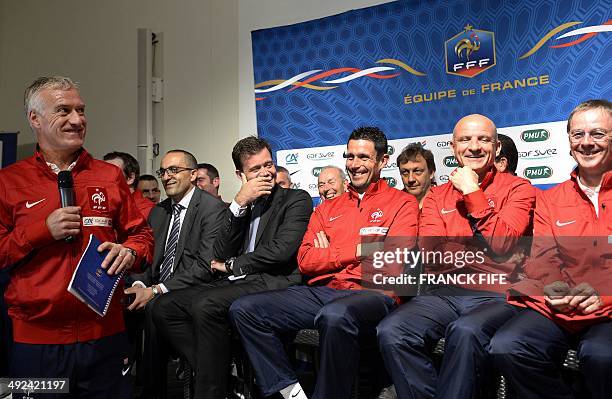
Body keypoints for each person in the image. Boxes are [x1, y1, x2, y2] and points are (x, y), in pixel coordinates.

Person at [229, 127, 419, 399]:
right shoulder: (327, 207)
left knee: (336, 315)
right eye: (350, 156)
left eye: (363, 157)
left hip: (374, 294)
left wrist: (332, 254)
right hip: (324, 292)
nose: (354, 164)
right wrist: (359, 250)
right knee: (244, 309)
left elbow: (394, 258)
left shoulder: (403, 203)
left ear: (382, 161)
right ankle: (289, 389)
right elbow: (306, 261)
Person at [0, 76, 154, 397]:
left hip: (105, 337)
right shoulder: (8, 181)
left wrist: (131, 252)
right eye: (64, 110)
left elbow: (142, 236)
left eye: (81, 110)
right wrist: (42, 231)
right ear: (34, 118)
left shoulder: (108, 175)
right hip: (35, 343)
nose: (77, 120)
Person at [377, 114, 536, 399]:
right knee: (392, 330)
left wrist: (473, 191)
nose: (474, 147)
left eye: (483, 139)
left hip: (498, 294)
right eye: (465, 139)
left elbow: (503, 243)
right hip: (445, 292)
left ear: (497, 147)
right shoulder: (438, 196)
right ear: (453, 147)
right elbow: (430, 253)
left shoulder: (519, 188)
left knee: (465, 331)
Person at [152, 136, 312, 399]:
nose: (265, 173)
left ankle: (211, 390)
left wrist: (232, 265)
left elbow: (280, 252)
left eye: (268, 165)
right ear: (241, 174)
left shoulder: (295, 199)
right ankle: (219, 374)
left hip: (273, 281)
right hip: (239, 283)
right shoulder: (243, 205)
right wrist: (238, 205)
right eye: (255, 169)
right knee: (163, 306)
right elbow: (219, 251)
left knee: (206, 304)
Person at [490, 99, 612, 399]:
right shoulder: (550, 198)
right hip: (563, 306)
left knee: (601, 355)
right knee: (507, 346)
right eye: (577, 135)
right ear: (569, 141)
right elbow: (543, 257)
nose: (586, 143)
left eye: (597, 134)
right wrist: (553, 286)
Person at [125, 149, 226, 399]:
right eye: (163, 171)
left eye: (174, 170)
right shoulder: (159, 212)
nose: (166, 177)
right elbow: (150, 260)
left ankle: (156, 390)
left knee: (155, 307)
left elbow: (205, 266)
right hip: (157, 288)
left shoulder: (212, 209)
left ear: (193, 175)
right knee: (121, 301)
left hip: (195, 289)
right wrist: (140, 283)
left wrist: (156, 290)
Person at [104, 151, 155, 219]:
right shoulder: (103, 205)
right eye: (103, 172)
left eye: (111, 172)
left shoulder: (147, 210)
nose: (104, 177)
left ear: (130, 178)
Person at [397, 143, 436, 208]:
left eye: (417, 171)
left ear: (431, 172)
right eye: (405, 172)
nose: (411, 179)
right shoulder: (394, 205)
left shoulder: (445, 202)